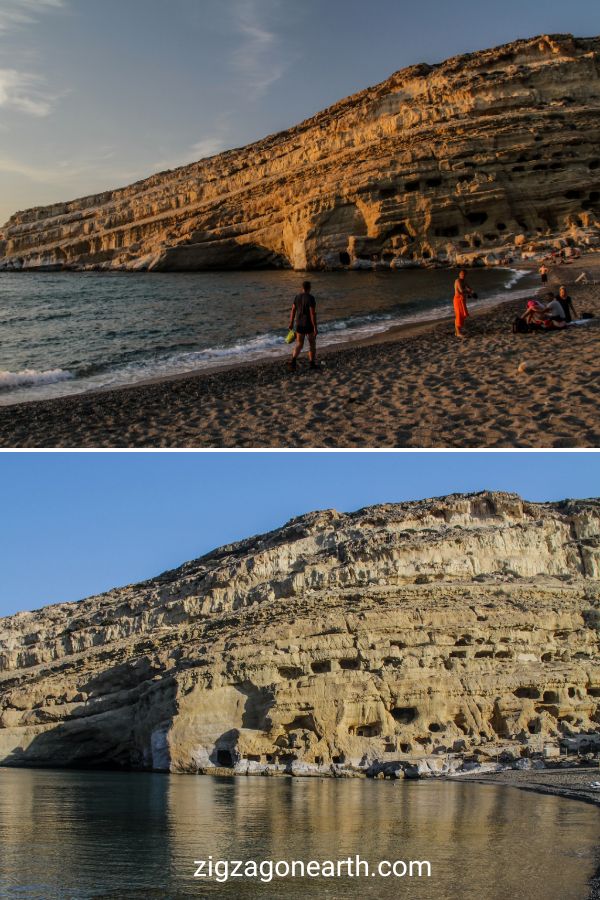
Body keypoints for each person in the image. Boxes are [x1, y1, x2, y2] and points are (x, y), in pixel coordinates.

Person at [288, 281, 318, 370]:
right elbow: (312, 314)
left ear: (302, 288)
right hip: (308, 324)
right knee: (312, 343)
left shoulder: (297, 297)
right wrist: (315, 327)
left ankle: (293, 361)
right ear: (309, 288)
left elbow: (293, 310)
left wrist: (291, 323)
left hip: (299, 324)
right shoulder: (311, 298)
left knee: (299, 344)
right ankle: (312, 363)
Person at [453, 270, 474, 339]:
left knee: (462, 315)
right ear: (459, 274)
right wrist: (469, 292)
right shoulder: (457, 281)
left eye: (464, 274)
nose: (463, 275)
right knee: (458, 315)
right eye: (461, 274)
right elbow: (461, 290)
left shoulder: (464, 281)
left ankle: (458, 331)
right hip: (457, 300)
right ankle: (458, 333)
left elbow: (469, 288)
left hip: (462, 299)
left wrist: (471, 292)